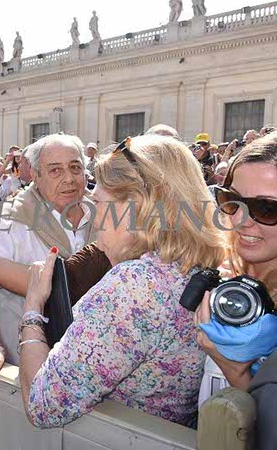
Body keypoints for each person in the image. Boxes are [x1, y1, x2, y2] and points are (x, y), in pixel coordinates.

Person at [20, 134, 226, 428]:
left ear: (137, 207)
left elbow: (41, 406)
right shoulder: (199, 268)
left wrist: (33, 309)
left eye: (99, 203)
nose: (95, 218)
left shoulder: (134, 286)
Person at [0, 134, 95, 365]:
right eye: (55, 170)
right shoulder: (8, 220)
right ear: (35, 175)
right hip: (25, 366)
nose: (69, 179)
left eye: (75, 167)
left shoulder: (108, 214)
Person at [194, 134, 277, 403]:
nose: (240, 220)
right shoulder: (217, 267)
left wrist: (234, 369)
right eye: (232, 200)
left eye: (267, 208)